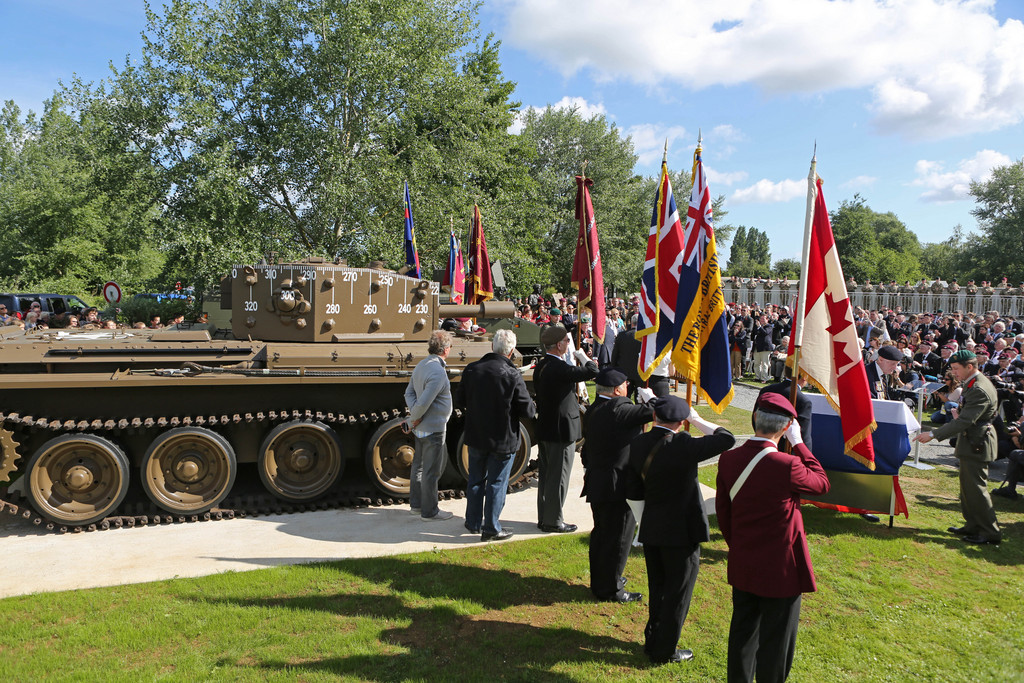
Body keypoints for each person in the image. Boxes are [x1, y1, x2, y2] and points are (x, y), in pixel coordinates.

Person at [716, 392, 830, 683]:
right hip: (781, 568)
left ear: (755, 418)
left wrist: (739, 546)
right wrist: (800, 443)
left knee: (742, 631)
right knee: (776, 642)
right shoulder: (788, 465)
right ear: (787, 427)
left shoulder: (729, 459)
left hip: (744, 558)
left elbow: (724, 513)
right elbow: (821, 483)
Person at [625, 395, 736, 665]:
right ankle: (664, 649)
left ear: (655, 418)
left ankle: (653, 637)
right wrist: (697, 421)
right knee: (678, 592)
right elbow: (727, 438)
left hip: (652, 526)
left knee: (659, 587)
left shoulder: (638, 442)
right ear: (681, 422)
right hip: (682, 531)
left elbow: (633, 489)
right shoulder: (684, 444)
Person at [455, 329, 536, 541]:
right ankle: (491, 526)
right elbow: (528, 410)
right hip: (502, 437)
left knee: (475, 480)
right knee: (496, 482)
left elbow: (460, 401)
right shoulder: (512, 374)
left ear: (492, 347)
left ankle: (472, 522)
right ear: (510, 352)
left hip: (476, 434)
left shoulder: (472, 369)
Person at [914, 349, 1001, 545]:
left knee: (977, 489)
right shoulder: (972, 383)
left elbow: (966, 421)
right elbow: (966, 417)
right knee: (967, 488)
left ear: (970, 367)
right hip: (972, 440)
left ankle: (989, 531)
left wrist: (933, 434)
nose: (953, 373)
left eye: (956, 369)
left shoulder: (978, 388)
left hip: (977, 442)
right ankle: (972, 525)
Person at [581, 367, 652, 603]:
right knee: (618, 538)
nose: (628, 388)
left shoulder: (594, 408)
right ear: (616, 390)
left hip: (598, 480)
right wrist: (651, 397)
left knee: (602, 535)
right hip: (616, 485)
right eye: (625, 385)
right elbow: (659, 411)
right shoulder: (619, 408)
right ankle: (611, 588)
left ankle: (602, 581)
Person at [534, 323, 599, 533]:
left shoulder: (543, 365)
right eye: (566, 341)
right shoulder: (558, 367)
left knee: (547, 476)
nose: (569, 344)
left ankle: (545, 516)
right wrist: (583, 356)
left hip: (547, 426)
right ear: (558, 345)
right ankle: (553, 521)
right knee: (559, 476)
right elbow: (592, 371)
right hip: (561, 429)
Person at [403, 330, 455, 521]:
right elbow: (424, 403)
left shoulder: (422, 365)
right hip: (433, 428)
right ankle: (430, 511)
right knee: (431, 471)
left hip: (421, 427)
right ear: (446, 349)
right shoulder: (438, 371)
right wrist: (413, 418)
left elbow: (408, 393)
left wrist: (414, 416)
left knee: (418, 467)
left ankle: (416, 506)